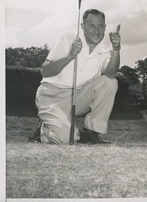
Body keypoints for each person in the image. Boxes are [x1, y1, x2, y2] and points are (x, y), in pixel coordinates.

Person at [28, 9, 121, 144]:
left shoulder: (105, 49)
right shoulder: (67, 38)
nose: (96, 30)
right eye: (91, 25)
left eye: (100, 26)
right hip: (52, 96)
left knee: (110, 82)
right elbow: (45, 71)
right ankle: (43, 130)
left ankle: (91, 133)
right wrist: (70, 55)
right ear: (82, 26)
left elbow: (111, 73)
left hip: (77, 98)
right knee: (68, 139)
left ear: (105, 28)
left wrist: (117, 49)